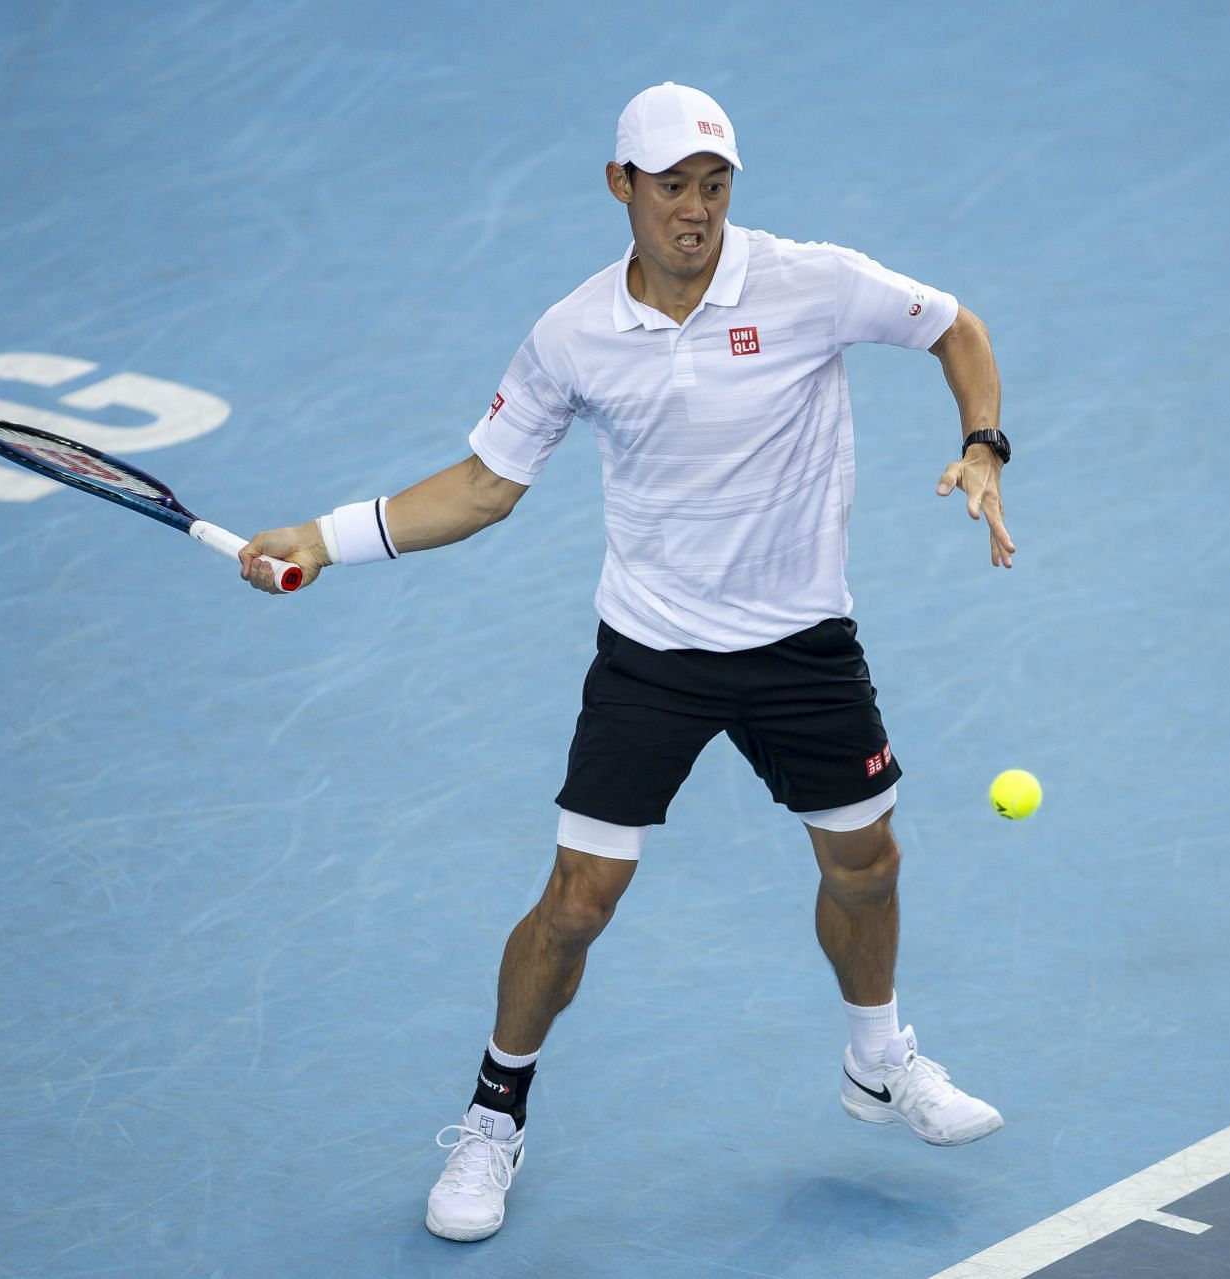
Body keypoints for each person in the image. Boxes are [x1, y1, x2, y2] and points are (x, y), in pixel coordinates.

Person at [239, 82, 1017, 1244]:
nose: (695, 211)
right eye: (671, 188)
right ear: (622, 188)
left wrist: (984, 444)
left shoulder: (809, 281)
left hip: (803, 644)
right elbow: (486, 484)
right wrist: (328, 538)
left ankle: (878, 1062)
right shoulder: (571, 334)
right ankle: (495, 1114)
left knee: (868, 865)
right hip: (652, 654)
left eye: (714, 186)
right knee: (577, 903)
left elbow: (957, 325)